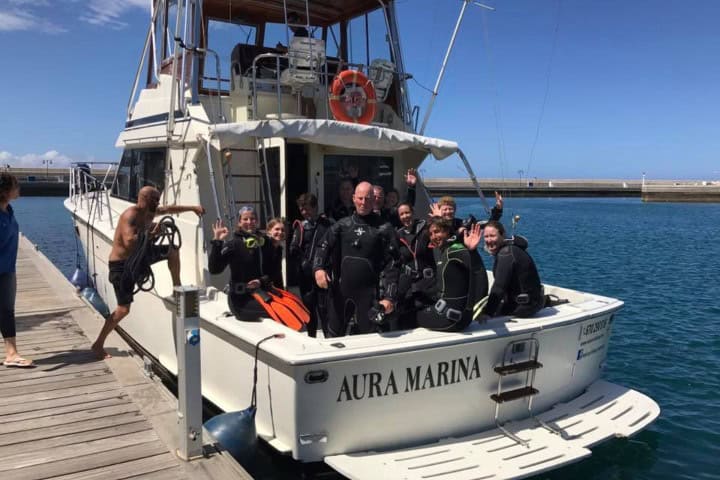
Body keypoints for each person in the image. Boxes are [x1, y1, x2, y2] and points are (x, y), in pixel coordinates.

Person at [92, 186, 204, 359]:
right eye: (155, 200)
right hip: (122, 266)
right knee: (123, 310)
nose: (158, 203)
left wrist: (192, 208)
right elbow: (130, 242)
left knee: (172, 250)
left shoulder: (151, 212)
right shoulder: (131, 215)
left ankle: (177, 288)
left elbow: (169, 209)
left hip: (140, 257)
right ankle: (98, 344)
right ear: (145, 199)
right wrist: (150, 234)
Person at [313, 182, 399, 336]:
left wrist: (389, 298)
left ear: (374, 200)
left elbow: (393, 264)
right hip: (340, 292)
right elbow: (322, 246)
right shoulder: (342, 225)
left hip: (369, 295)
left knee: (367, 340)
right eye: (360, 198)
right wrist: (318, 269)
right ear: (353, 199)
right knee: (333, 337)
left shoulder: (384, 229)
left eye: (367, 198)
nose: (363, 202)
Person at [209, 206, 282, 319]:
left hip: (261, 294)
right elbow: (214, 270)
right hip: (240, 301)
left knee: (290, 306)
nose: (249, 222)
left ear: (257, 221)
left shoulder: (264, 242)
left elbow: (274, 272)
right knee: (278, 311)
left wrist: (261, 281)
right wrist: (217, 241)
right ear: (239, 222)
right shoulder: (234, 245)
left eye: (253, 219)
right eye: (245, 219)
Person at [415, 219, 486, 332]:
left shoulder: (455, 251)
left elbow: (479, 274)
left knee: (410, 317)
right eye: (431, 234)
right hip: (452, 314)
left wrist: (480, 310)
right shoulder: (446, 250)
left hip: (451, 319)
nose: (433, 236)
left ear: (447, 231)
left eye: (437, 231)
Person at [478, 220, 545, 320]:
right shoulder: (511, 249)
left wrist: (488, 313)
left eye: (492, 236)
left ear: (502, 235)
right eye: (486, 237)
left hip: (523, 308)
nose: (489, 240)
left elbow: (499, 287)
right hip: (533, 302)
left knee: (477, 315)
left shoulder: (506, 253)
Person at [288, 193, 333, 337]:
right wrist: (304, 263)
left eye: (307, 209)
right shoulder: (300, 227)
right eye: (301, 210)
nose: (304, 212)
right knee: (309, 309)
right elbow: (293, 249)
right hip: (306, 275)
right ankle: (311, 336)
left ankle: (328, 337)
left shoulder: (328, 224)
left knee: (324, 309)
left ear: (315, 207)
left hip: (323, 273)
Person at [0, 173, 33, 368]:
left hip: (7, 269)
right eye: (15, 185)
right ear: (4, 191)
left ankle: (11, 354)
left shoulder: (8, 210)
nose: (19, 188)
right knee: (5, 310)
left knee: (6, 310)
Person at [265, 217, 286, 288]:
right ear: (269, 231)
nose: (280, 232)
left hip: (275, 288)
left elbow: (277, 274)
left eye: (282, 230)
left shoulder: (279, 249)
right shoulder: (263, 247)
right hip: (264, 288)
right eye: (277, 229)